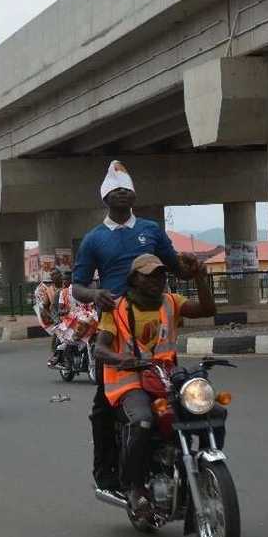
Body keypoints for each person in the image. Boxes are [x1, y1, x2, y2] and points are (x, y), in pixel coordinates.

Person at [72, 160, 198, 500]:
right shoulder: (94, 240)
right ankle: (109, 475)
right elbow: (77, 287)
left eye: (127, 188)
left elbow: (176, 268)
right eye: (116, 190)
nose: (123, 193)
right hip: (116, 325)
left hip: (154, 324)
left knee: (173, 396)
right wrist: (95, 294)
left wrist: (193, 268)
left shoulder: (152, 229)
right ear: (105, 198)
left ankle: (180, 466)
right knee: (104, 406)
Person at [94, 254, 216, 511]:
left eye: (160, 274)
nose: (156, 280)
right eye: (149, 275)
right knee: (143, 420)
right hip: (128, 382)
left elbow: (208, 310)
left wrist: (200, 278)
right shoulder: (115, 308)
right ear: (134, 279)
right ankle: (134, 486)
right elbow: (100, 350)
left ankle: (206, 467)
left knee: (212, 411)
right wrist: (122, 359)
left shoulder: (171, 302)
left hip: (165, 378)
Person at [34, 268, 66, 368]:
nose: (55, 277)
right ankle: (55, 355)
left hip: (69, 313)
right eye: (52, 275)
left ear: (60, 275)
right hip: (57, 316)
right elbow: (45, 306)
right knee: (58, 333)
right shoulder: (49, 291)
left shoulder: (67, 287)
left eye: (57, 274)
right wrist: (52, 317)